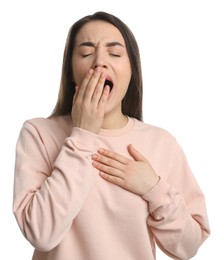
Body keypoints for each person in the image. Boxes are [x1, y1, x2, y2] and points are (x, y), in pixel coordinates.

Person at [13, 11, 210, 260]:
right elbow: (41, 233)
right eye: (86, 53)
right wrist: (83, 135)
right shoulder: (39, 133)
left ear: (131, 70)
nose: (99, 62)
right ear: (71, 70)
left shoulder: (162, 143)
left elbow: (188, 246)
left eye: (115, 53)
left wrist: (154, 189)